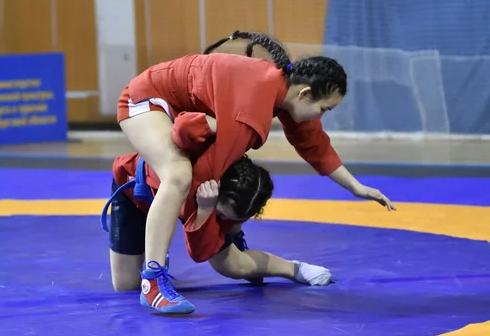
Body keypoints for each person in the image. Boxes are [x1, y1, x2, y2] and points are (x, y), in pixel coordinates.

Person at [116, 30, 396, 314]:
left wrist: (354, 186)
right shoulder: (248, 114)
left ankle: (233, 238)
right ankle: (153, 280)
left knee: (204, 176)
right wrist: (208, 231)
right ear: (305, 93)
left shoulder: (279, 88)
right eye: (324, 109)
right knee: (179, 175)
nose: (320, 117)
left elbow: (314, 143)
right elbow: (203, 180)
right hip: (146, 99)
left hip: (175, 109)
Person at [102, 112, 333, 314]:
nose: (226, 220)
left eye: (236, 220)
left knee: (233, 266)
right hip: (134, 192)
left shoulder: (224, 179)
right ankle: (230, 238)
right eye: (224, 217)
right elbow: (199, 252)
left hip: (205, 201)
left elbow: (202, 249)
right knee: (126, 285)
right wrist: (216, 125)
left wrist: (208, 212)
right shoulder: (191, 181)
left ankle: (294, 269)